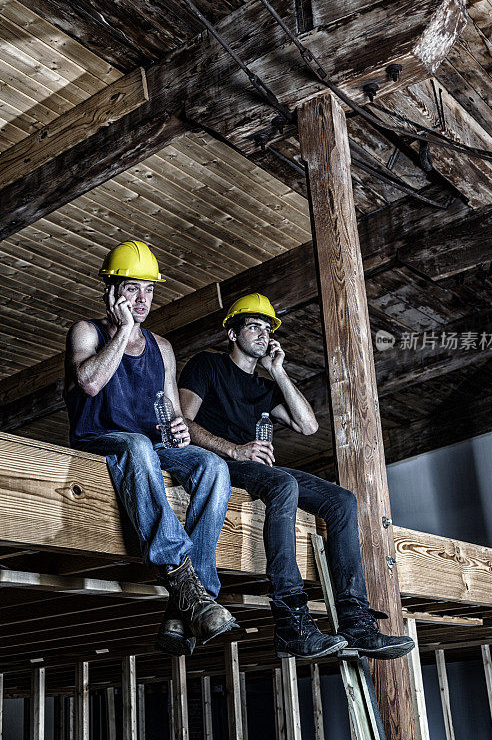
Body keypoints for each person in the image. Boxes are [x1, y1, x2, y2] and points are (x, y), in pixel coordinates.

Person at [178, 293, 414, 660]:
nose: (262, 334)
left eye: (267, 328)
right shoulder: (207, 366)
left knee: (342, 501)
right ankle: (290, 620)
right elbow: (182, 424)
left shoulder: (265, 387)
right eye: (253, 326)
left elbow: (307, 425)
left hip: (255, 467)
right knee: (283, 483)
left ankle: (354, 620)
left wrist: (278, 371)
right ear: (232, 334)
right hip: (217, 463)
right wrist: (235, 450)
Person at [64, 240, 236, 657]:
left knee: (212, 466)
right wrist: (123, 331)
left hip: (152, 444)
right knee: (138, 443)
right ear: (112, 290)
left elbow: (174, 415)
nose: (142, 300)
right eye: (132, 290)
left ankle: (190, 602)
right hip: (101, 438)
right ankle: (182, 577)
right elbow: (89, 383)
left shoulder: (162, 347)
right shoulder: (87, 331)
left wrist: (179, 430)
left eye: (149, 291)